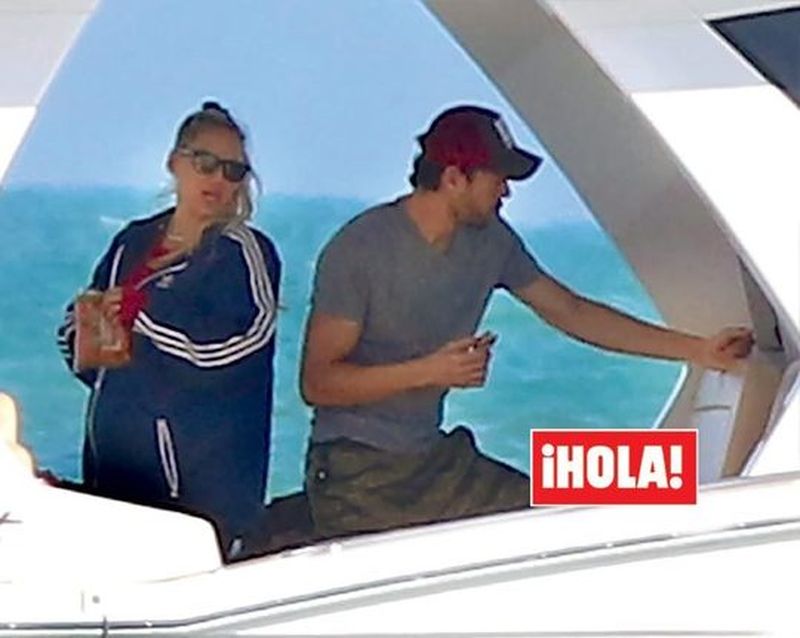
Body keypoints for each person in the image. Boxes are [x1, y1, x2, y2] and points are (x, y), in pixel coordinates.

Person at [299, 104, 753, 539]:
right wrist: (430, 371)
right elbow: (318, 383)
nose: (507, 192)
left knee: (580, 505)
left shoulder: (491, 242)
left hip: (435, 459)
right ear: (454, 179)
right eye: (498, 178)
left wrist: (698, 350)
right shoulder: (359, 250)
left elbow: (571, 311)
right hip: (354, 473)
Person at [57, 101, 280, 560]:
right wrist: (91, 325)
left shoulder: (241, 252)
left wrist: (143, 319)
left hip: (198, 496)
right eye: (206, 163)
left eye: (233, 171)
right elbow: (85, 353)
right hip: (114, 479)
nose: (218, 180)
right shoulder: (132, 242)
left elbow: (237, 346)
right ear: (175, 163)